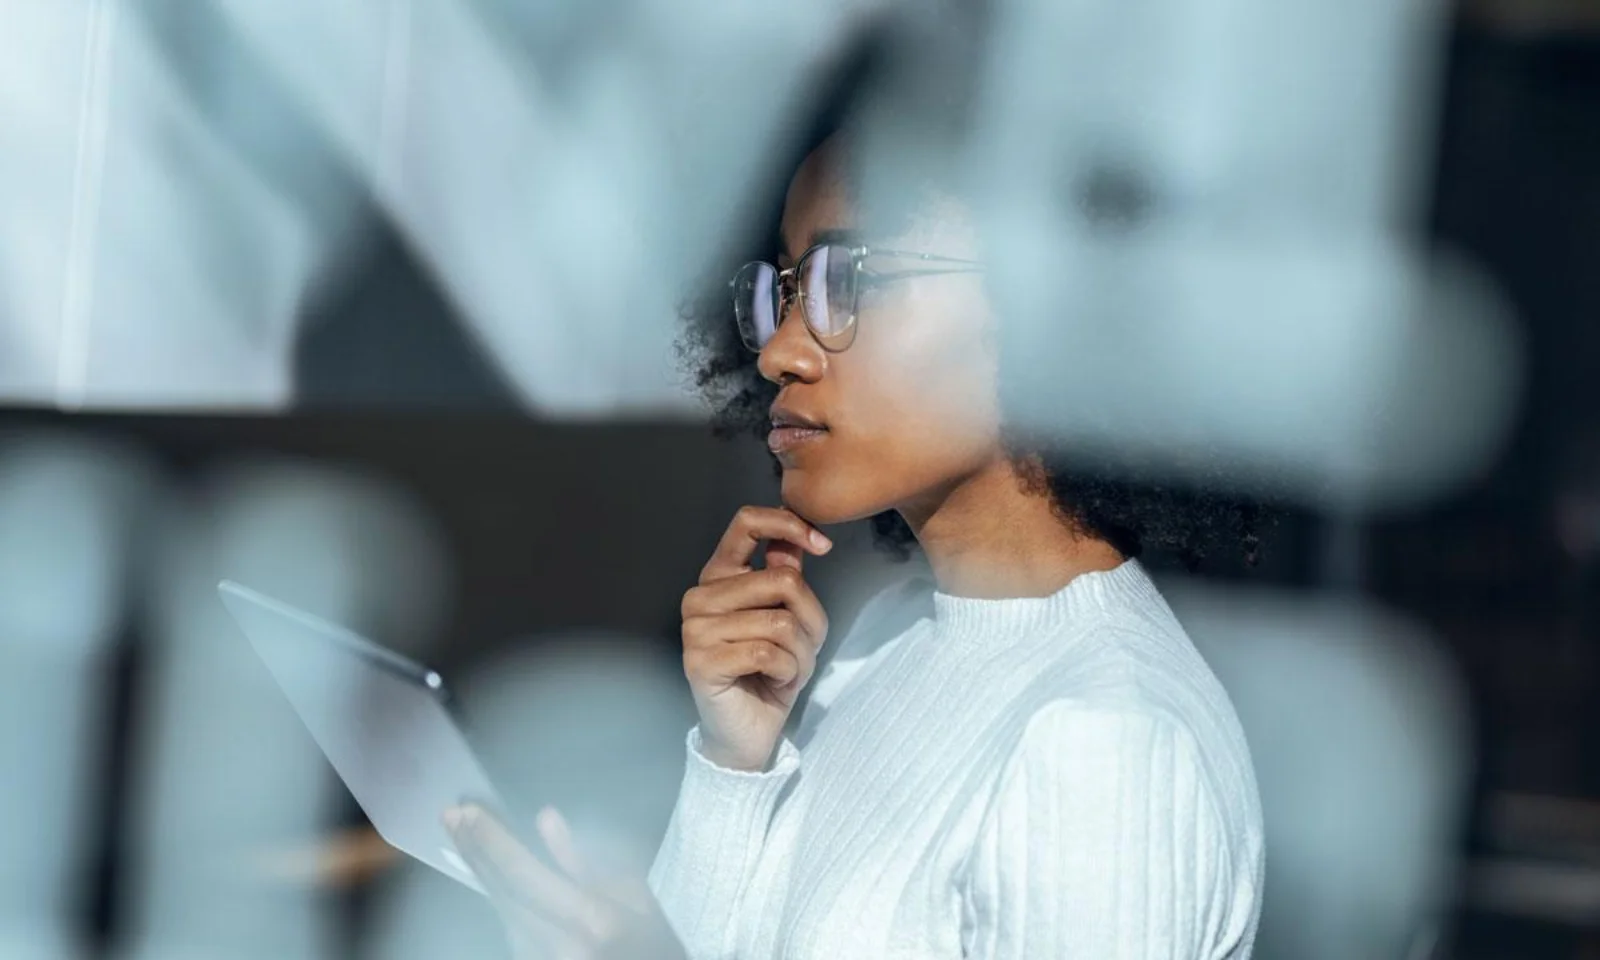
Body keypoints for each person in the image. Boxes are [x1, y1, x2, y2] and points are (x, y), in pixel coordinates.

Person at [445, 55, 1267, 960]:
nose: (779, 353)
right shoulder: (891, 633)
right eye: (780, 292)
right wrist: (735, 762)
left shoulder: (1112, 744)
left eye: (848, 282)